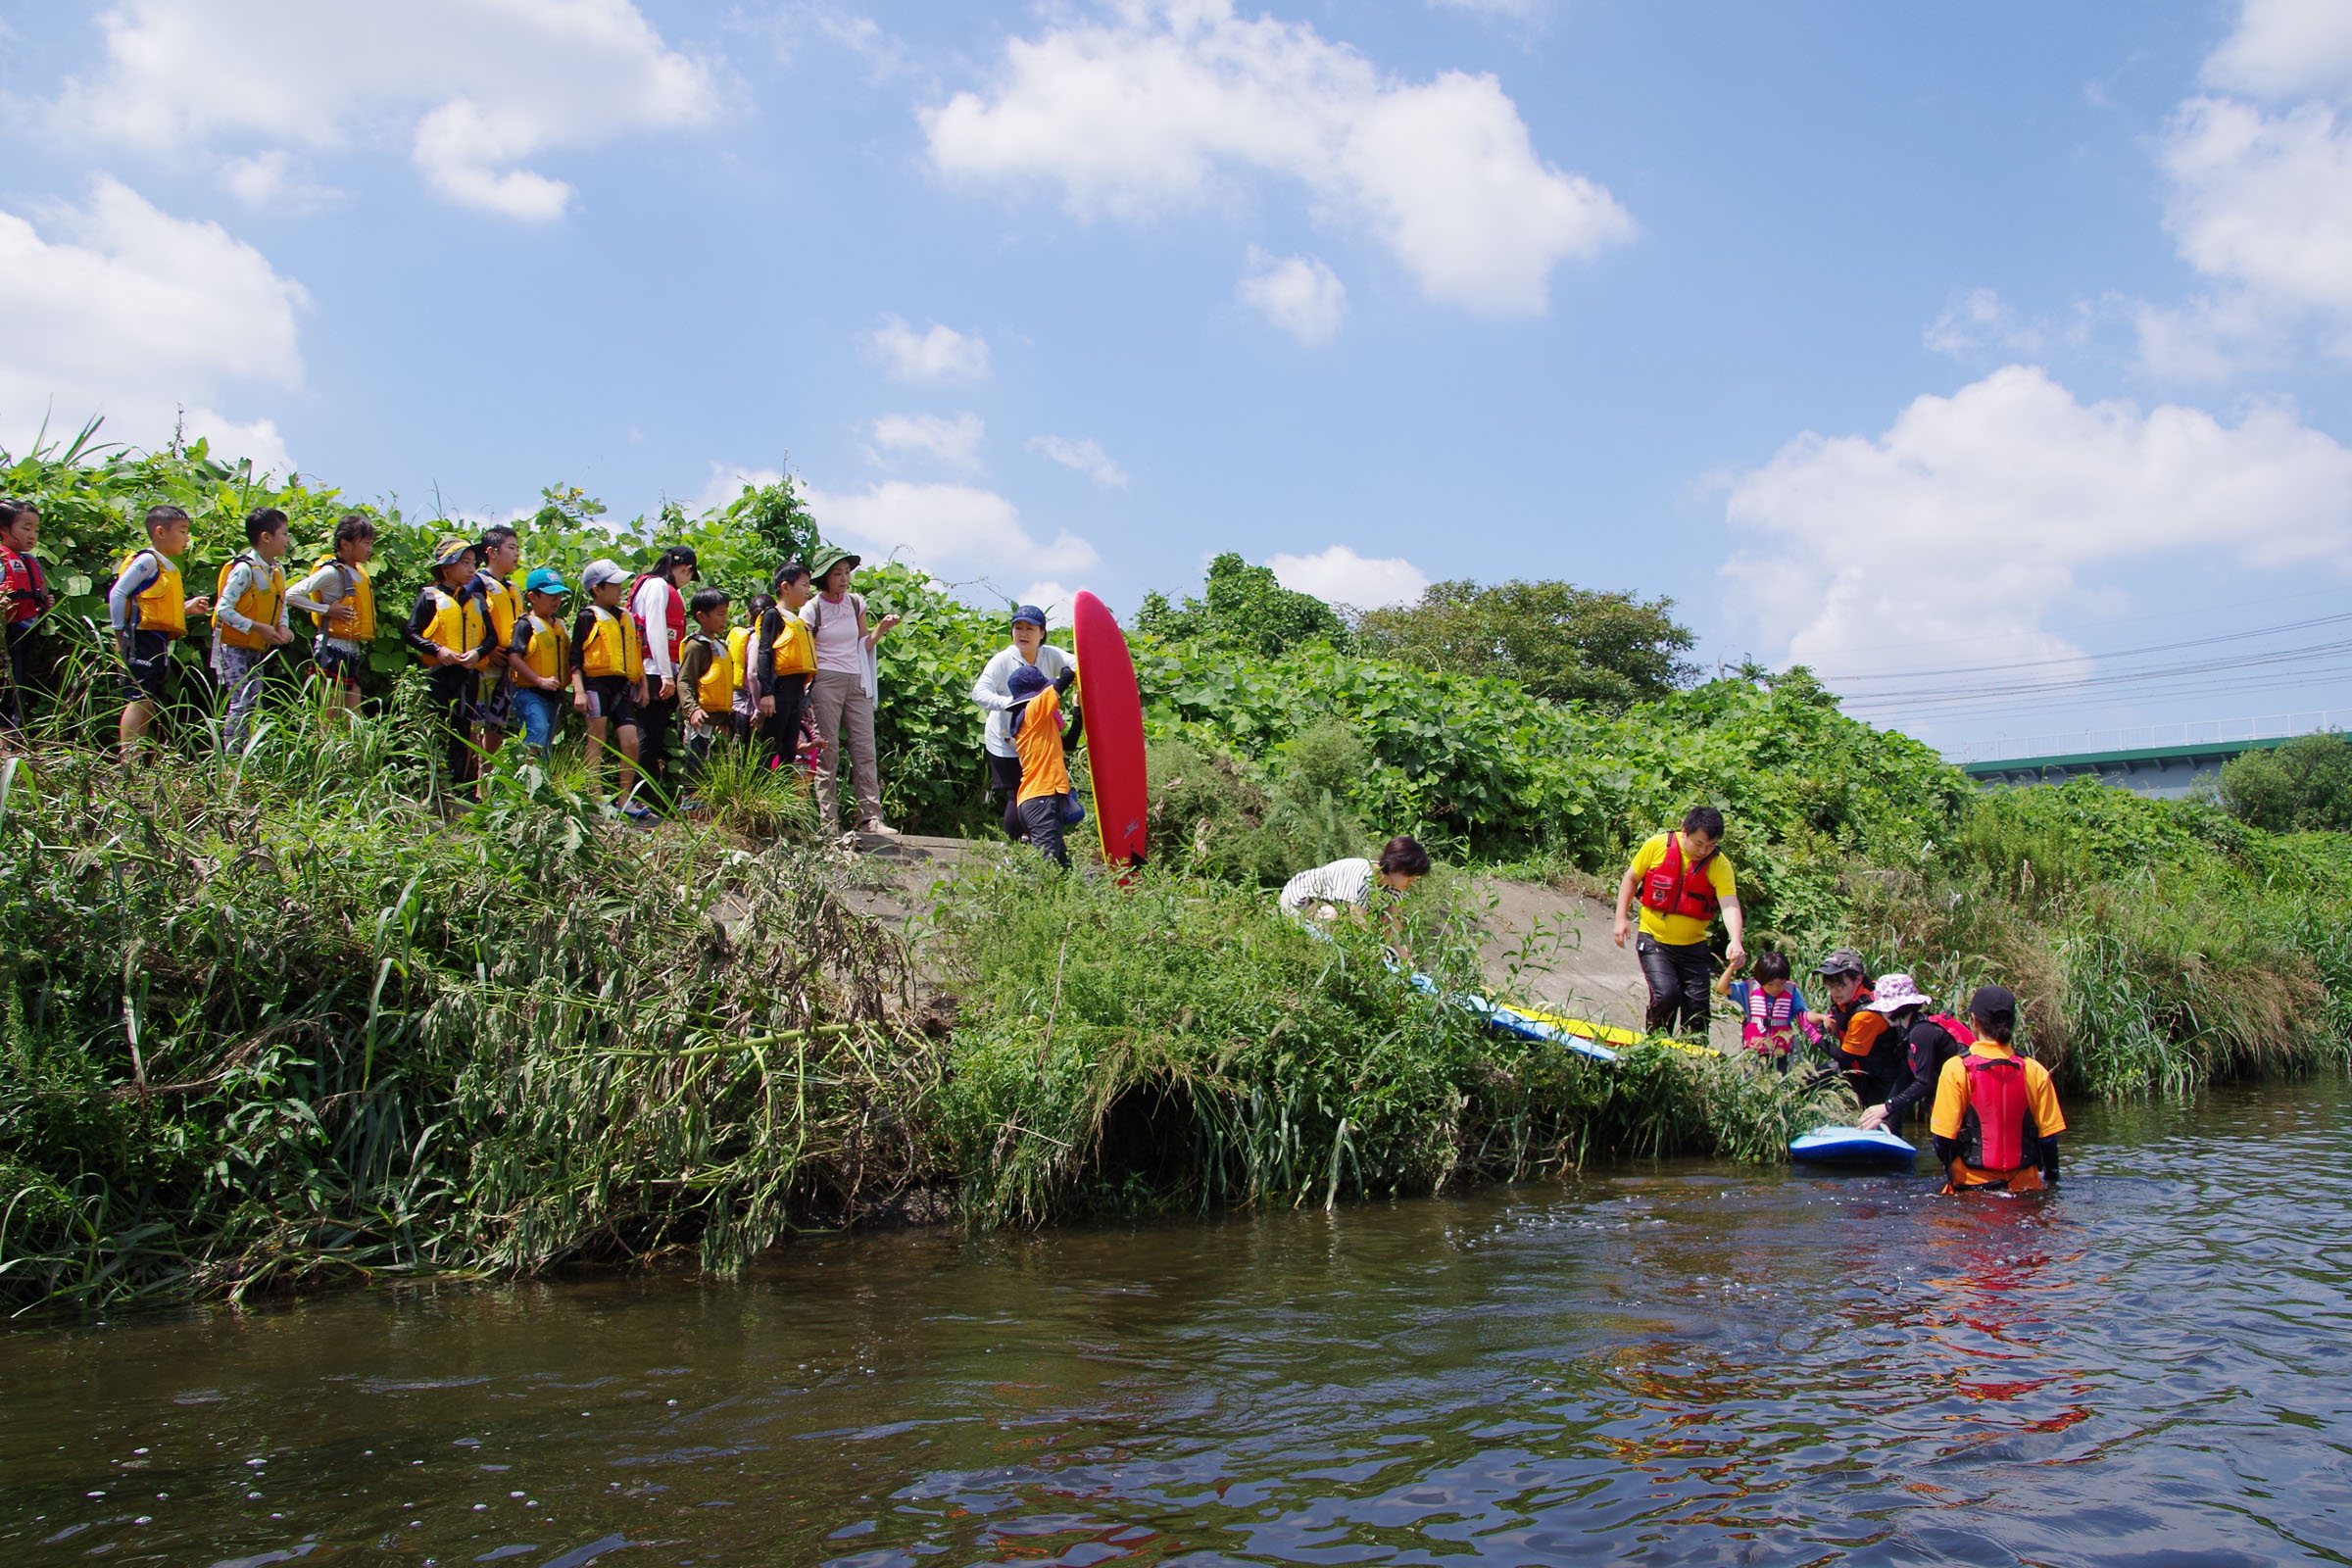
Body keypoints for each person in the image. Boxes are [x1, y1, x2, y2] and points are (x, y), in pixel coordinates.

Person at [1613, 806, 1746, 1038]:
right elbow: (1631, 878)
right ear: (1684, 831)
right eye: (1699, 843)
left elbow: (1729, 903)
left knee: (1697, 1010)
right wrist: (1621, 917)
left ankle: (1690, 1062)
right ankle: (1654, 1048)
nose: (1703, 851)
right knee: (1666, 995)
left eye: (1710, 845)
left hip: (1694, 948)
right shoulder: (1657, 846)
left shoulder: (1719, 863)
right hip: (1655, 941)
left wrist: (1735, 940)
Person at [800, 546, 901, 837]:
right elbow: (806, 650)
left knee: (864, 749)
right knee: (826, 752)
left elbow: (863, 644)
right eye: (837, 574)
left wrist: (880, 630)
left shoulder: (856, 603)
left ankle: (870, 818)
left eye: (846, 573)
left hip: (857, 679)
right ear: (824, 578)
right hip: (826, 680)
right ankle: (828, 823)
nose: (844, 579)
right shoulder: (812, 608)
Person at [1930, 985, 2065, 1194]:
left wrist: (1949, 1170)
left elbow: (1942, 1140)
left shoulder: (1957, 1069)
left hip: (1971, 1188)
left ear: (1974, 1021)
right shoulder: (2035, 1070)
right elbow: (2048, 1141)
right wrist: (2052, 1181)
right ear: (2012, 1022)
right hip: (2025, 1189)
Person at [110, 504, 214, 765]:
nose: (187, 538)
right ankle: (128, 763)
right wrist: (119, 634)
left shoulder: (165, 565)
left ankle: (137, 763)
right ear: (160, 532)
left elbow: (154, 606)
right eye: (182, 531)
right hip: (140, 638)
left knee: (148, 701)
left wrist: (186, 609)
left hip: (155, 639)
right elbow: (118, 593)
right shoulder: (148, 560)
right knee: (139, 698)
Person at [972, 604, 1076, 840]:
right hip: (1004, 739)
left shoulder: (1051, 654)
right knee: (1015, 793)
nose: (1023, 633)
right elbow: (979, 693)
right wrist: (1011, 703)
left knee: (1038, 793)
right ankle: (1015, 844)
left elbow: (1077, 666)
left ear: (1042, 633)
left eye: (1030, 628)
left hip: (1035, 739)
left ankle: (1033, 839)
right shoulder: (1002, 660)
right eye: (1018, 628)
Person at [405, 539, 488, 796]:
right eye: (464, 563)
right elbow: (410, 632)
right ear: (446, 568)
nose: (471, 569)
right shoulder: (429, 597)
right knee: (435, 726)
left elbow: (492, 637)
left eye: (473, 563)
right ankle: (429, 787)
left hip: (467, 673)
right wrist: (438, 650)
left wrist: (477, 653)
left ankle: (460, 790)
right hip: (438, 673)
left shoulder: (476, 599)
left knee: (463, 730)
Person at [571, 558, 651, 819]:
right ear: (597, 589)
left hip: (623, 686)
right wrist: (579, 691)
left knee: (630, 741)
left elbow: (636, 654)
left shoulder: (625, 617)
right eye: (614, 585)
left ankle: (624, 798)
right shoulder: (586, 617)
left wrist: (643, 685)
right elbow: (575, 660)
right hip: (596, 684)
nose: (620, 589)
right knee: (597, 739)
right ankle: (595, 797)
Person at [212, 507, 294, 754]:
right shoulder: (244, 569)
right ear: (265, 537)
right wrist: (256, 627)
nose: (288, 541)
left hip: (258, 647)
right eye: (284, 534)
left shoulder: (277, 570)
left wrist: (283, 627)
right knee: (239, 703)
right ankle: (229, 761)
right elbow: (223, 610)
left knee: (253, 703)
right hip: (235, 647)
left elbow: (282, 605)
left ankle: (247, 756)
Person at [1278, 836, 1433, 962]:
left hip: (1327, 906)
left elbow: (1393, 925)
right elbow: (1357, 919)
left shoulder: (1395, 889)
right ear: (1396, 866)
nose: (1412, 881)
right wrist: (1376, 953)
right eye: (1410, 875)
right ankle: (1317, 960)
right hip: (1299, 899)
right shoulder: (1364, 875)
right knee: (1330, 916)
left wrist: (1407, 962)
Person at [285, 514, 376, 717]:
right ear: (345, 543)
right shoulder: (332, 572)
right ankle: (322, 749)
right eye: (365, 543)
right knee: (330, 715)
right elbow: (291, 595)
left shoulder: (356, 572)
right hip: (332, 648)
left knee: (353, 717)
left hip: (351, 651)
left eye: (371, 543)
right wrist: (327, 610)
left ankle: (351, 751)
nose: (369, 549)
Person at [628, 546, 698, 805]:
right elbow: (655, 629)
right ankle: (637, 796)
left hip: (652, 669)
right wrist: (667, 675)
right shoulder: (657, 586)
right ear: (685, 569)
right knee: (649, 734)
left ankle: (642, 795)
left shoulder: (648, 585)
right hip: (653, 671)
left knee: (651, 734)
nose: (687, 581)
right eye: (689, 575)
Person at [1861, 982, 1978, 1133]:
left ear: (1894, 1009)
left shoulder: (1921, 1032)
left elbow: (1924, 1083)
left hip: (1968, 1104)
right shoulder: (1909, 1030)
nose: (1881, 1013)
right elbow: (1904, 1077)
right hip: (1954, 1099)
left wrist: (1887, 1107)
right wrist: (1886, 1118)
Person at [1808, 950, 1906, 1111]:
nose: (1834, 992)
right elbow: (1842, 1015)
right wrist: (1827, 1020)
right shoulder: (1852, 995)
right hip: (1860, 1069)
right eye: (1830, 986)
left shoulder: (1866, 1014)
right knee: (1807, 1081)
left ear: (1858, 979)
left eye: (1840, 986)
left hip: (1883, 1078)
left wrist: (1815, 1037)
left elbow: (1845, 1058)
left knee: (1880, 1126)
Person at [469, 524, 525, 795]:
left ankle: (487, 784)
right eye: (511, 548)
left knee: (497, 724)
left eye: (517, 548)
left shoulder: (513, 588)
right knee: (473, 722)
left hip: (506, 664)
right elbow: (471, 619)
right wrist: (486, 650)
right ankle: (468, 784)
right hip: (482, 663)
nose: (516, 554)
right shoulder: (477, 582)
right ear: (491, 551)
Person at [1006, 662, 1081, 867]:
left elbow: (1070, 743)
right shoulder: (1031, 711)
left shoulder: (1039, 726)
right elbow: (1064, 678)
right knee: (1046, 866)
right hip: (1040, 798)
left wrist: (1077, 710)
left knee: (1061, 865)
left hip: (1039, 798)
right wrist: (1075, 665)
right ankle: (1032, 898)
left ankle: (1060, 899)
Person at [0, 499, 53, 740]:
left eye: (36, 530)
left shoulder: (28, 560)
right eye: (25, 528)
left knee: (19, 688)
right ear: (3, 531)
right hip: (6, 636)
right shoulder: (2, 560)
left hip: (25, 634)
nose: (32, 535)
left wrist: (43, 603)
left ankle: (13, 739)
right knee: (7, 688)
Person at [676, 587, 735, 806]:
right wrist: (692, 709)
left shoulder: (719, 645)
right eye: (719, 614)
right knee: (695, 762)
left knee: (710, 765)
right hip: (700, 718)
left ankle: (706, 805)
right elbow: (684, 681)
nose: (724, 619)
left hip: (718, 720)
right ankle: (689, 805)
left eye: (725, 613)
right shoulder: (696, 646)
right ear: (701, 616)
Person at [756, 564, 815, 772]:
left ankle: (780, 796)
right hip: (779, 688)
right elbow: (765, 653)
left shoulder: (798, 622)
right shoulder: (774, 615)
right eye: (804, 585)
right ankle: (757, 794)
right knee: (769, 745)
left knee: (789, 748)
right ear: (785, 587)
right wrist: (766, 692)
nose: (808, 590)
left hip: (796, 692)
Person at [509, 566, 572, 763]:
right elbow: (513, 658)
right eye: (550, 595)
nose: (557, 599)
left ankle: (541, 787)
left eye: (559, 595)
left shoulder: (559, 625)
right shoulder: (526, 624)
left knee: (546, 741)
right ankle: (526, 780)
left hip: (554, 695)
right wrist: (539, 680)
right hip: (530, 692)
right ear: (532, 597)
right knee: (537, 731)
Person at [1715, 951, 1811, 1071]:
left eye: (1781, 983)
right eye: (1770, 984)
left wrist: (1821, 1018)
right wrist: (1732, 967)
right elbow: (1722, 988)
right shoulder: (1748, 989)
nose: (1776, 988)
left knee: (1780, 1081)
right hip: (1754, 1049)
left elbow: (1804, 1013)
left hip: (1780, 1050)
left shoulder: (1791, 991)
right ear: (1760, 981)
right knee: (1752, 1078)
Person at [729, 594, 770, 745]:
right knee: (744, 749)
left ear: (748, 614)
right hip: (746, 704)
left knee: (735, 748)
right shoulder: (757, 639)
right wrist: (758, 707)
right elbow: (752, 674)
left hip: (734, 699)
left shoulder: (743, 634)